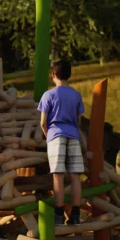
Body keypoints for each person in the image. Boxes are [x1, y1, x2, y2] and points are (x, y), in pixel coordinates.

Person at [38, 60, 85, 225]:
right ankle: (76, 214)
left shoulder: (48, 95)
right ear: (69, 75)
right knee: (75, 176)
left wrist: (47, 135)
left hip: (55, 135)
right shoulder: (76, 95)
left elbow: (43, 122)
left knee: (57, 175)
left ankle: (58, 214)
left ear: (53, 75)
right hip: (73, 135)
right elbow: (79, 121)